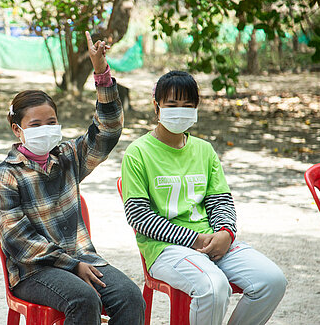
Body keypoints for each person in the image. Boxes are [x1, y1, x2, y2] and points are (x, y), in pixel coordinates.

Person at [0, 31, 145, 325]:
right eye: (35, 124)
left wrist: (101, 73)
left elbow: (108, 131)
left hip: (83, 259)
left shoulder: (68, 156)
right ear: (17, 130)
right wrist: (72, 265)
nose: (45, 128)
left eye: (51, 122)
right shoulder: (3, 178)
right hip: (34, 271)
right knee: (82, 299)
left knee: (131, 296)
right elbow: (19, 242)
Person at [121, 70, 287, 325]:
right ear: (157, 107)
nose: (180, 111)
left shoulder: (204, 150)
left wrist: (225, 233)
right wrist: (194, 240)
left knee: (272, 281)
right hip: (166, 249)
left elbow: (220, 201)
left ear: (196, 108)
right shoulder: (138, 153)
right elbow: (139, 216)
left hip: (213, 242)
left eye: (188, 105)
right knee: (214, 286)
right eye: (172, 105)